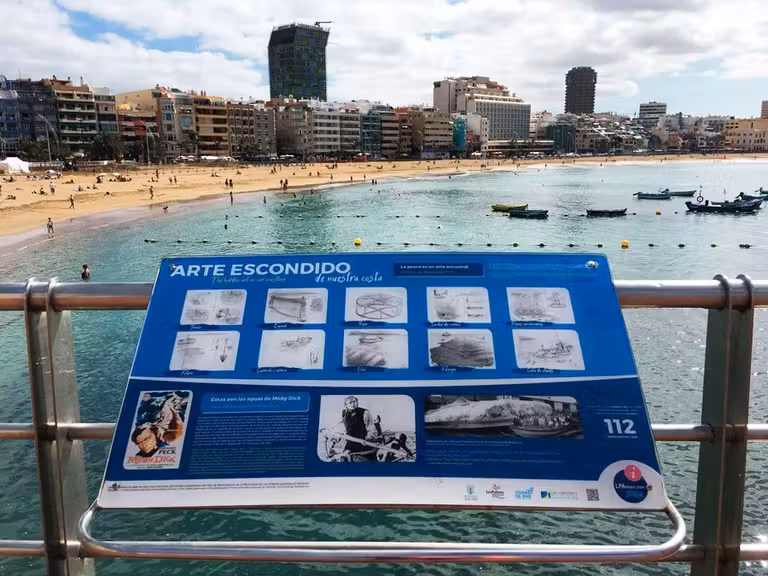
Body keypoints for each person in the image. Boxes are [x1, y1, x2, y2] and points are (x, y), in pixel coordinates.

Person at [340, 396, 377, 461]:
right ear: (346, 405)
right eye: (350, 402)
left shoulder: (365, 413)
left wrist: (368, 439)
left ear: (357, 402)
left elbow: (372, 430)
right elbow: (344, 429)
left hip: (363, 445)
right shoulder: (344, 413)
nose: (353, 404)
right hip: (349, 445)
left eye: (354, 402)